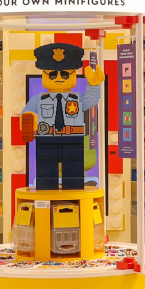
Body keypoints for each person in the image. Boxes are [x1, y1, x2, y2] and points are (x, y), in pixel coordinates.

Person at [20, 42, 104, 190]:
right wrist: (29, 119)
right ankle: (46, 190)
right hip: (46, 139)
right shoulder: (38, 99)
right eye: (52, 74)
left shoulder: (77, 98)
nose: (59, 78)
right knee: (46, 175)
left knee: (74, 177)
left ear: (73, 75)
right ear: (44, 75)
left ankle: (73, 190)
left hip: (73, 139)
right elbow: (26, 114)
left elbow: (91, 100)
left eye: (65, 74)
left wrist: (94, 85)